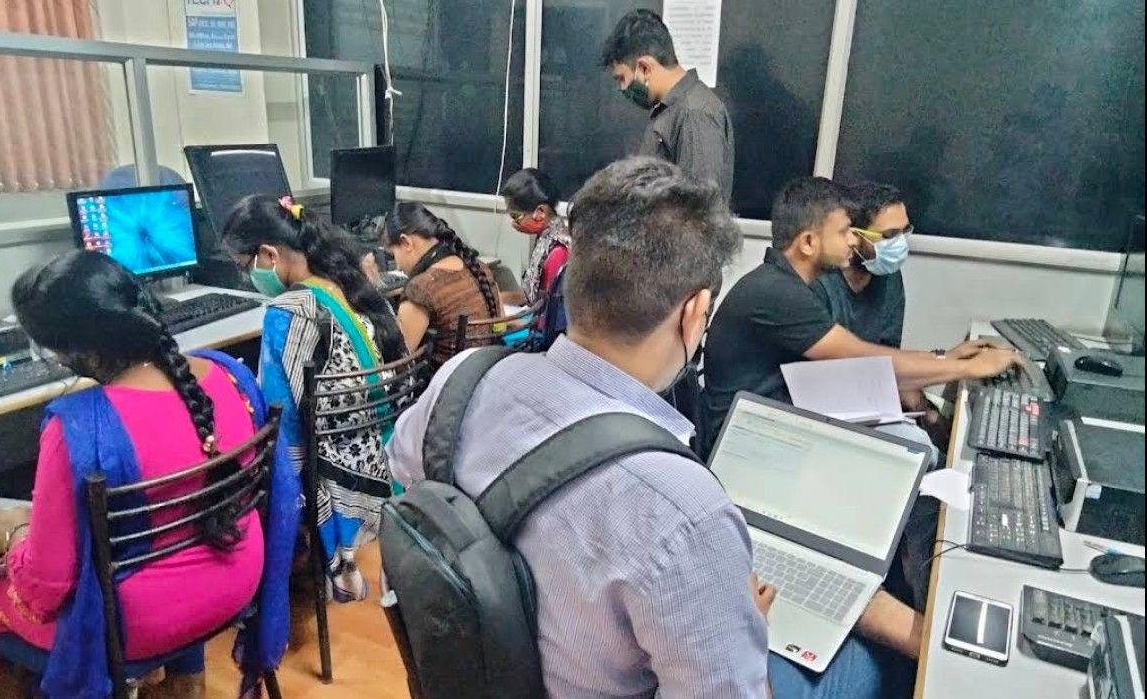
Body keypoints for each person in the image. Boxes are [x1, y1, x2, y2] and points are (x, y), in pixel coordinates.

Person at [387, 157, 919, 698]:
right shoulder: (685, 510)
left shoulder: (462, 380)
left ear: (576, 283)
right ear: (695, 313)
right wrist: (747, 628)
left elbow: (412, 495)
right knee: (873, 665)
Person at [0, 251, 280, 694]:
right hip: (239, 575)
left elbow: (46, 588)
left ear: (77, 351)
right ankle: (185, 682)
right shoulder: (229, 374)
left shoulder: (79, 426)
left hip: (138, 625)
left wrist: (14, 535)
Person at [703, 176, 1023, 446]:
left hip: (780, 421)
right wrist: (967, 368)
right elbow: (862, 361)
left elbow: (869, 361)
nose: (852, 240)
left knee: (912, 445)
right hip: (746, 440)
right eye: (844, 232)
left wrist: (945, 358)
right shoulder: (778, 293)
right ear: (809, 243)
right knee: (913, 452)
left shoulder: (784, 283)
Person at [222, 194, 407, 603]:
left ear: (269, 254)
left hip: (336, 485)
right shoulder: (352, 285)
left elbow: (282, 426)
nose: (247, 277)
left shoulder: (289, 312)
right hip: (389, 460)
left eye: (244, 265)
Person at [815, 182, 951, 451]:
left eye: (904, 232)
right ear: (853, 235)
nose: (899, 243)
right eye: (889, 235)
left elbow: (888, 358)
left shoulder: (889, 277)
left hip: (872, 394)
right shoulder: (821, 285)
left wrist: (925, 410)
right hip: (829, 403)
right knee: (920, 447)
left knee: (939, 421)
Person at [602, 9, 735, 199]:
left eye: (621, 78)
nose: (622, 87)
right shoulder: (669, 110)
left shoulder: (695, 113)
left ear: (644, 68)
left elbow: (699, 207)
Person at [381, 202, 503, 363]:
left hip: (448, 376)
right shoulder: (479, 268)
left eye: (393, 255)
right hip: (486, 367)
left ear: (406, 242)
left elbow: (396, 361)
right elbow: (501, 325)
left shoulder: (421, 289)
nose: (397, 266)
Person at [499, 167, 571, 307]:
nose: (513, 224)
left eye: (516, 217)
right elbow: (529, 296)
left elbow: (547, 310)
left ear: (540, 212)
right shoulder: (546, 239)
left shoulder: (558, 252)